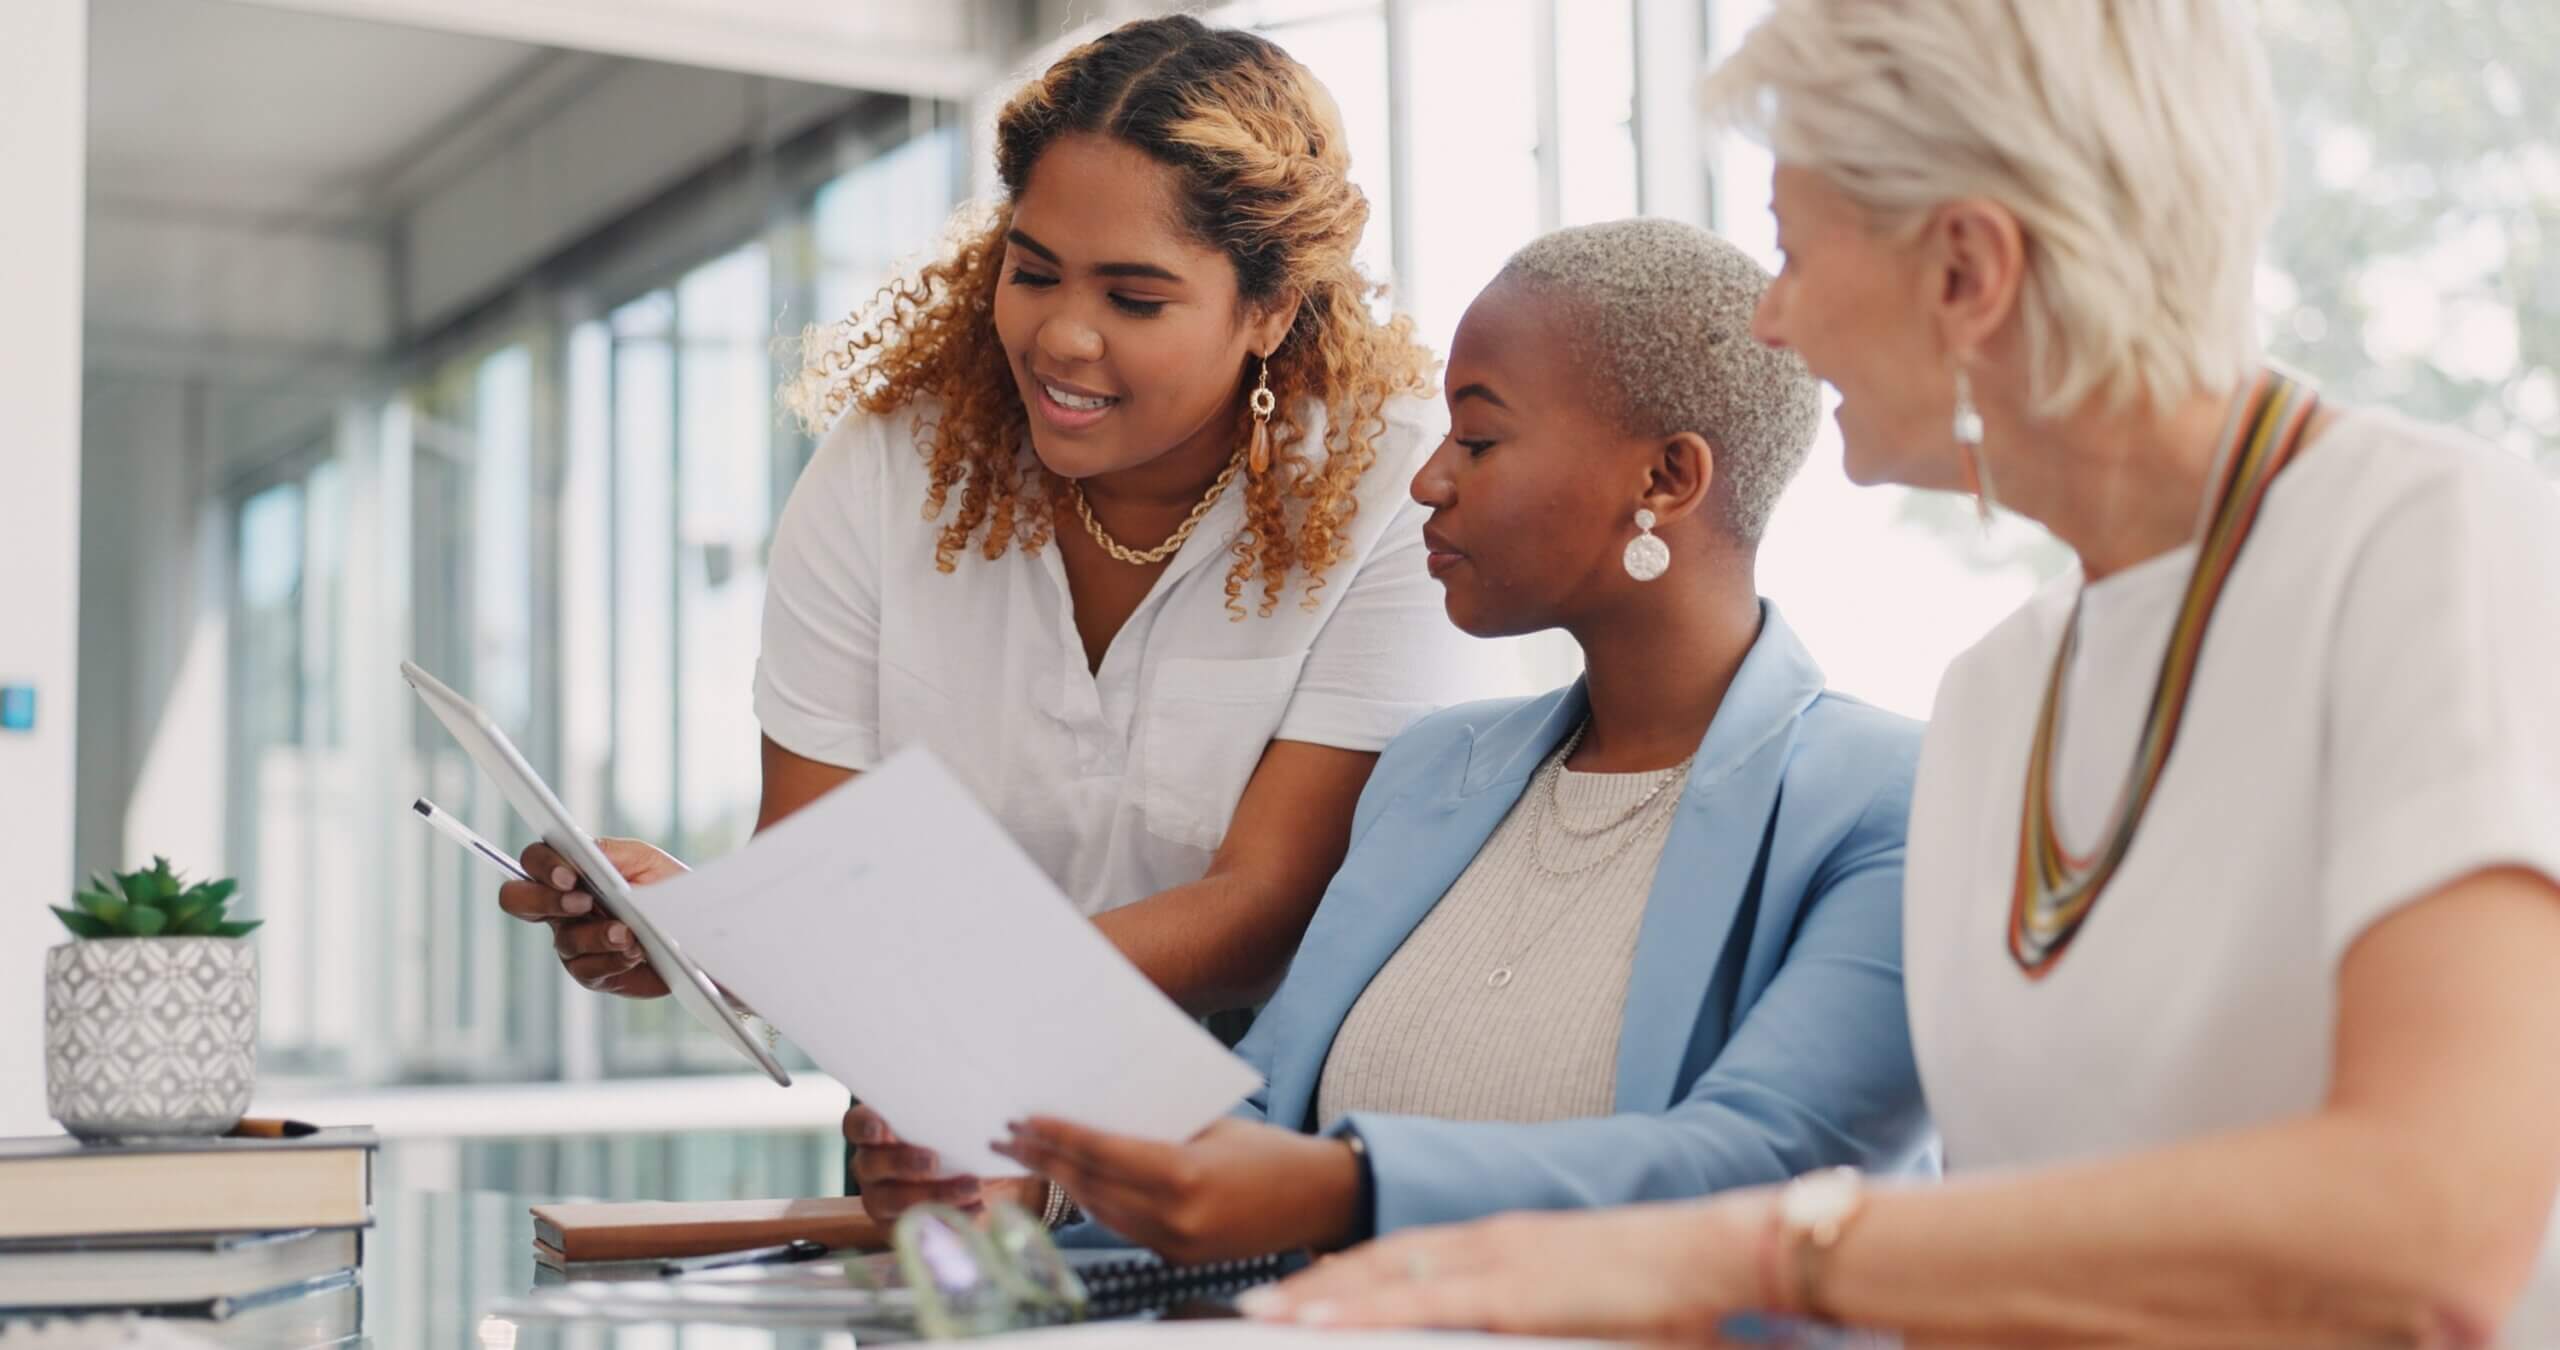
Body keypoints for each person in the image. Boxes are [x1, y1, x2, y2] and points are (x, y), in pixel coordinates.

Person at [1244, 3, 2560, 1345]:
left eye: (1796, 250)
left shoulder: (2426, 544)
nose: (1774, 315)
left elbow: (2435, 1226)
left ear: (1966, 270)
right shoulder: (2002, 690)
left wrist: (1738, 1250)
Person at [496, 15, 1487, 1208]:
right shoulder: (885, 471)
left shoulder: (1393, 490)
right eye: (1032, 271)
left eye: (1134, 296)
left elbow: (1262, 907)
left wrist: (896, 997)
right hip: (937, 1140)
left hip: (1256, 1162)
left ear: (1269, 310)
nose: (1062, 337)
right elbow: (821, 863)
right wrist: (704, 930)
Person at [954, 218, 1931, 1260]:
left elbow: (1767, 1163)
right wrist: (1035, 1190)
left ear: (1665, 481)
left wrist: (1353, 1187)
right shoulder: (1433, 773)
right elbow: (1263, 1129)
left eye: (1477, 438)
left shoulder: (1890, 802)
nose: (1428, 481)